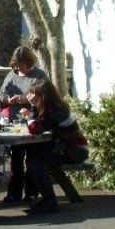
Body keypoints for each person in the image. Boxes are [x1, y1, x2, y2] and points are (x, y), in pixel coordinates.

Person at [24, 79, 90, 215]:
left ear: (42, 95)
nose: (30, 96)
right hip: (68, 148)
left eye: (33, 93)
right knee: (34, 158)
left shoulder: (55, 111)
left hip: (75, 151)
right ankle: (48, 199)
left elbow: (35, 129)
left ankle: (50, 202)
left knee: (36, 163)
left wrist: (29, 114)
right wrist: (34, 109)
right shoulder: (53, 108)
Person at [0, 45, 48, 203]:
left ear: (29, 62)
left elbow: (46, 96)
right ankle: (14, 193)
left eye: (23, 65)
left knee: (32, 160)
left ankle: (31, 192)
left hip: (33, 121)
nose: (21, 69)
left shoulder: (39, 75)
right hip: (15, 123)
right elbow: (1, 95)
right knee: (16, 161)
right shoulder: (11, 76)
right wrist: (8, 100)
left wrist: (25, 99)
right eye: (18, 66)